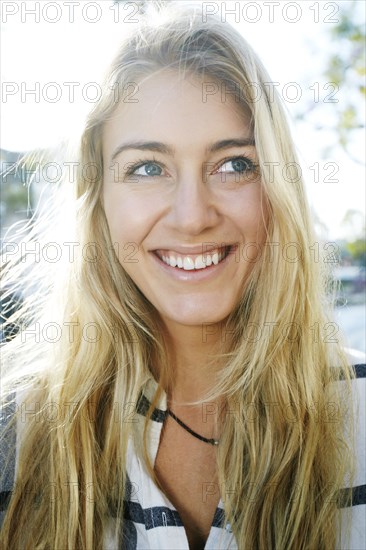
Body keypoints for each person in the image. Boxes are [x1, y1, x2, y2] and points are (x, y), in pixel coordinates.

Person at [0, 4, 365, 549]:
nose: (192, 215)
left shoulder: (358, 416)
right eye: (147, 168)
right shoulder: (17, 431)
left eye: (234, 164)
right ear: (98, 202)